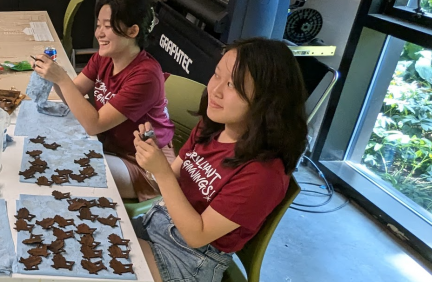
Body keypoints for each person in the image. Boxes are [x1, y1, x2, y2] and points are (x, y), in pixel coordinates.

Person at [131, 38, 308, 282]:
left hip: (189, 260)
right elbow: (172, 179)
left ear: (268, 101)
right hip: (156, 223)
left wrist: (160, 172)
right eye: (216, 75)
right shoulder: (210, 127)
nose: (215, 90)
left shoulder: (263, 175)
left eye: (232, 85)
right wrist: (151, 158)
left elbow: (197, 235)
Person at [34, 0, 175, 202]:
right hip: (111, 144)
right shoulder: (104, 58)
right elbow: (73, 95)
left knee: (67, 168)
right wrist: (52, 75)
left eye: (107, 26)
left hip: (144, 163)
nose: (99, 33)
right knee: (50, 150)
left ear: (133, 31)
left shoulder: (146, 75)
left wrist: (62, 79)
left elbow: (94, 124)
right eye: (98, 24)